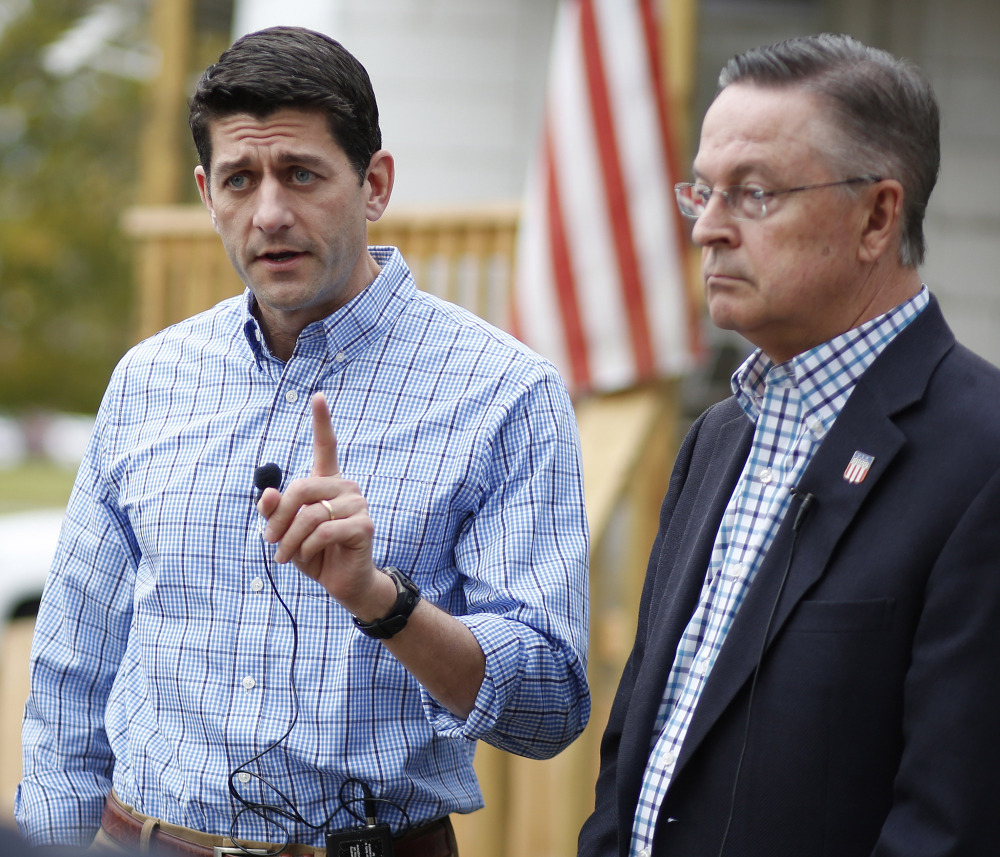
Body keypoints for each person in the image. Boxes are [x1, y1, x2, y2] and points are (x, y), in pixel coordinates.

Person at [17, 26, 590, 856]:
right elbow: (73, 669)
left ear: (375, 183)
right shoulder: (148, 381)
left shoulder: (505, 395)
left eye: (302, 174)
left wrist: (382, 602)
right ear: (206, 193)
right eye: (241, 180)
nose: (271, 212)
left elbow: (548, 708)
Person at [578, 32, 1000, 857]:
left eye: (754, 194)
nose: (708, 231)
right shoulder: (717, 436)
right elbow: (636, 745)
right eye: (701, 193)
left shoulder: (981, 456)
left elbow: (951, 823)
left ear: (877, 216)